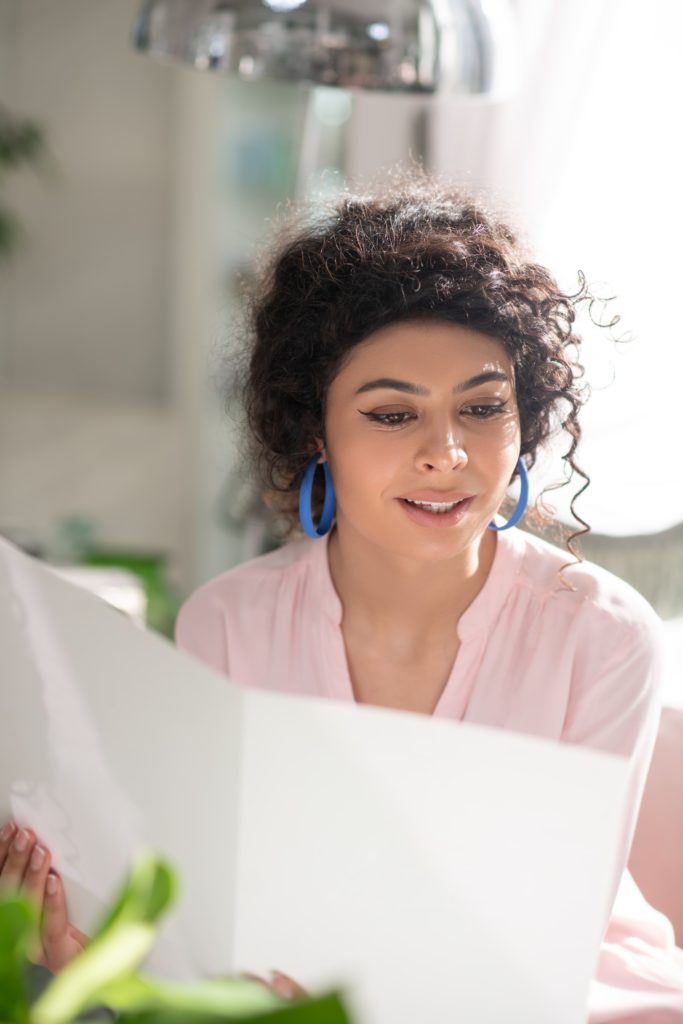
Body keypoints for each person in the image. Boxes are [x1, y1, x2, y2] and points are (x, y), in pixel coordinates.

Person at [1, 174, 681, 1019]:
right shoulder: (230, 622)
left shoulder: (604, 636)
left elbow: (536, 956)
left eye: (481, 408)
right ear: (314, 429)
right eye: (392, 415)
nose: (447, 453)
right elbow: (211, 924)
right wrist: (91, 952)